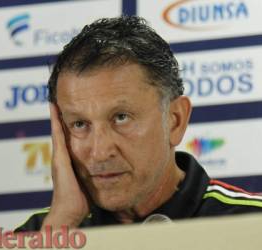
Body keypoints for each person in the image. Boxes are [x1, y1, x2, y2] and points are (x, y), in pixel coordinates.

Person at [15, 16, 262, 232]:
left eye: (121, 117)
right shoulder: (42, 233)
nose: (100, 152)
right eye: (79, 124)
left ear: (175, 121)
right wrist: (63, 221)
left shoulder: (253, 223)